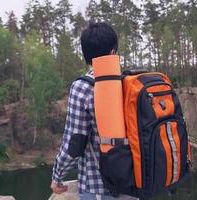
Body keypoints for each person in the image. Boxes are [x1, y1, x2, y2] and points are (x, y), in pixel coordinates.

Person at [50, 22, 138, 200]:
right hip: (132, 184)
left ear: (86, 54)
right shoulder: (130, 83)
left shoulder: (82, 87)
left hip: (98, 188)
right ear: (114, 51)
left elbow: (74, 143)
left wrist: (57, 177)